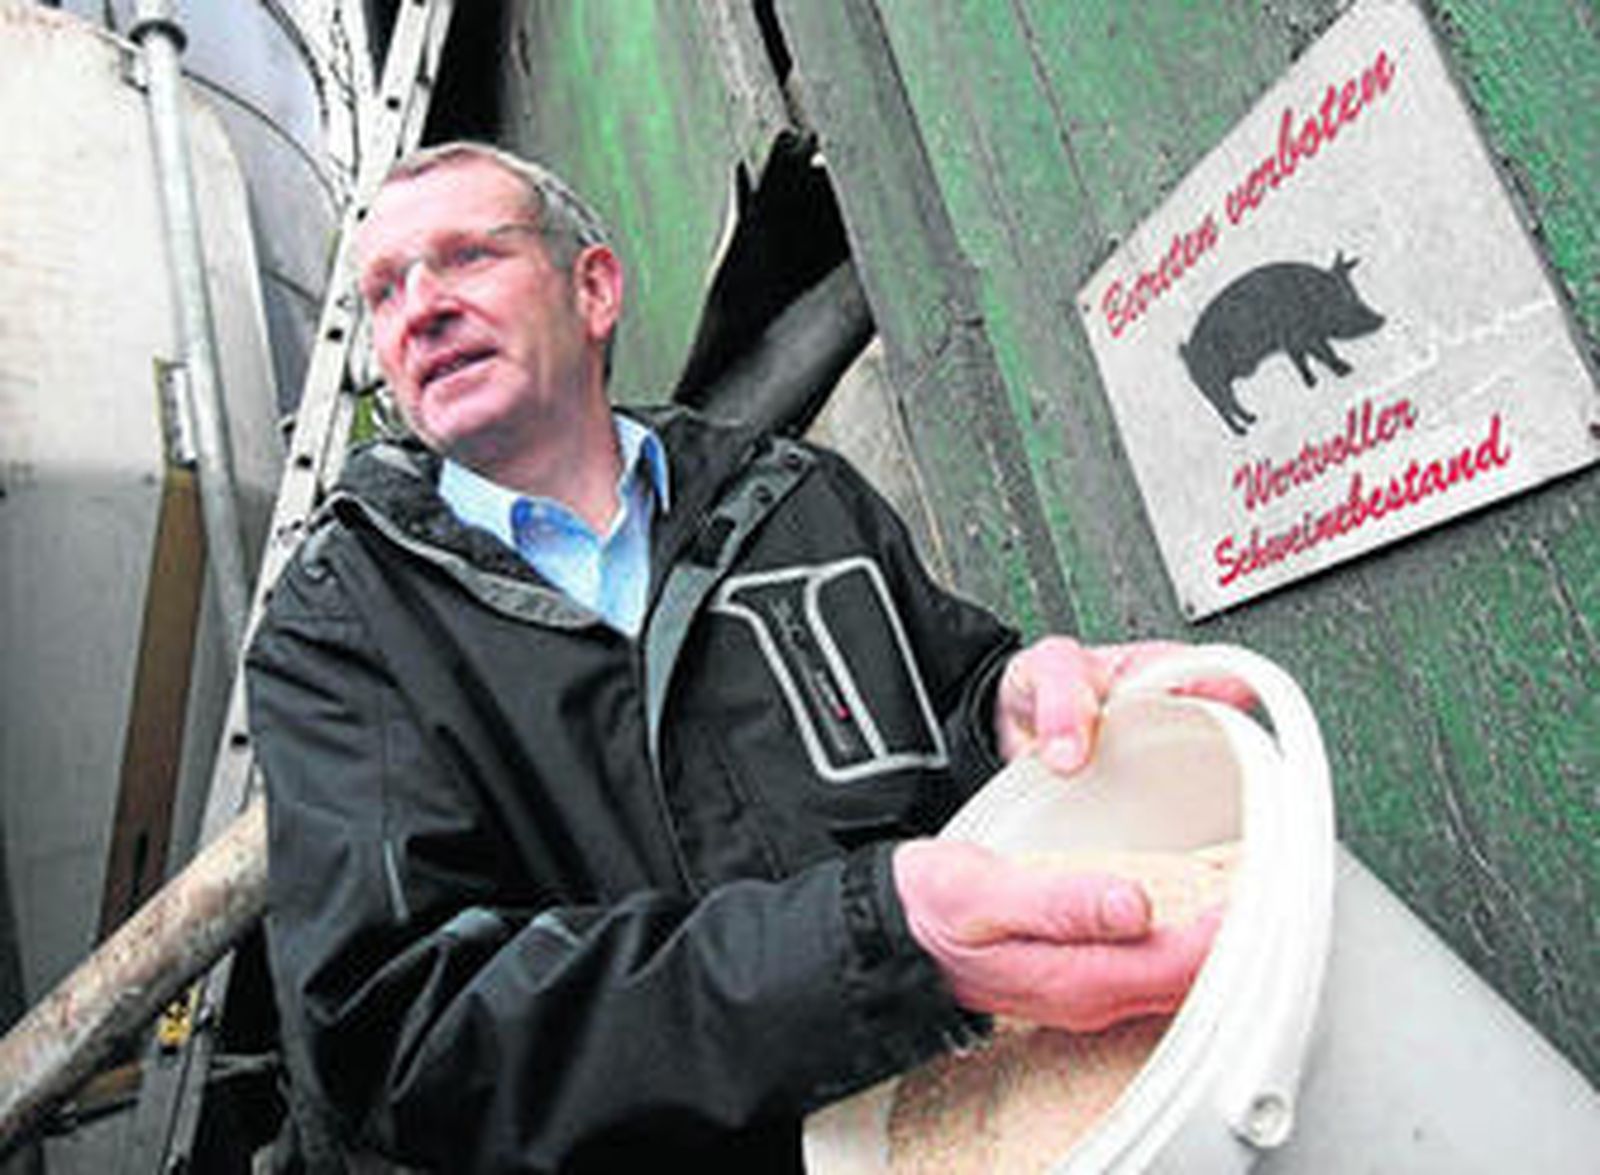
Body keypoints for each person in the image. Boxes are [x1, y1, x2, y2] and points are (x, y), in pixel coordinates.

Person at [248, 140, 1224, 1174]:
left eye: (467, 257)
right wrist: (879, 942)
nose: (420, 308)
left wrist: (1006, 716)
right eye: (385, 289)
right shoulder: (343, 626)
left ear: (593, 287)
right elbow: (406, 1040)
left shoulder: (794, 497)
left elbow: (944, 705)